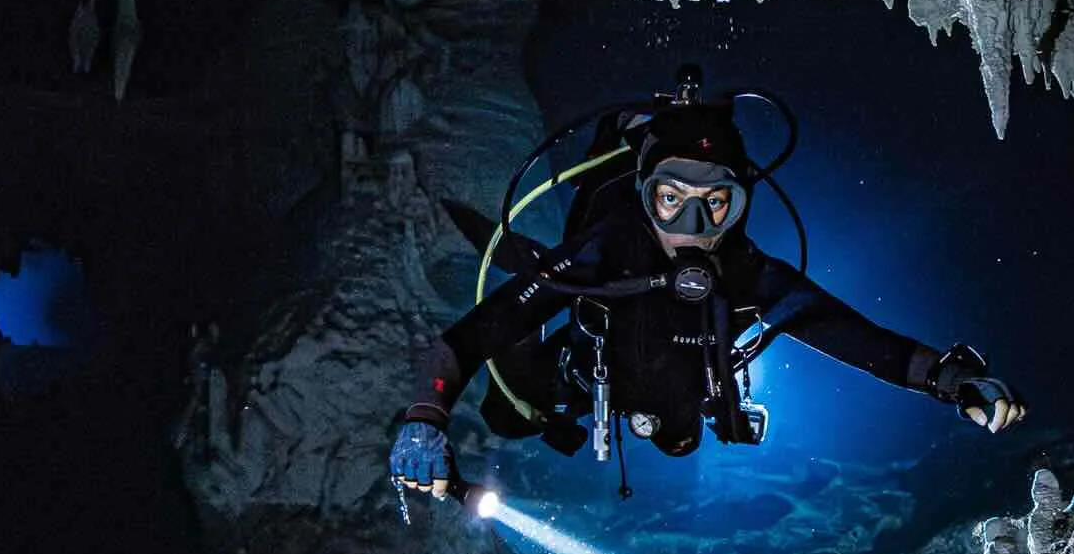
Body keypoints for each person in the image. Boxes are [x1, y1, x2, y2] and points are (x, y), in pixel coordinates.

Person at [388, 90, 1023, 504]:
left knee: (682, 438)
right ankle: (538, 331)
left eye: (715, 203)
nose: (692, 227)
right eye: (671, 200)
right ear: (646, 195)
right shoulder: (601, 252)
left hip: (675, 394)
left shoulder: (747, 273)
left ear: (739, 203)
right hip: (582, 377)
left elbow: (854, 338)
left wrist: (950, 379)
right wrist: (424, 417)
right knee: (509, 416)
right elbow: (461, 344)